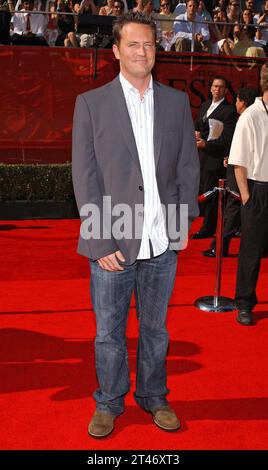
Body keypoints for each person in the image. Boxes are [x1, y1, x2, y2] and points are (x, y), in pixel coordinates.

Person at [72, 12, 200, 438]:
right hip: (113, 240)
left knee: (156, 328)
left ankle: (154, 395)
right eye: (133, 45)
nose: (142, 52)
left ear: (156, 50)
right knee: (108, 332)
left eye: (148, 44)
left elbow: (186, 165)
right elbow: (85, 178)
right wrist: (99, 238)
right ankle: (108, 402)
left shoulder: (177, 102)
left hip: (162, 241)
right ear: (116, 51)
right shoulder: (91, 103)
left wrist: (181, 223)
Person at [228, 62, 268, 326]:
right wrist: (247, 197)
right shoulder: (251, 115)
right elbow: (238, 162)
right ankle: (244, 303)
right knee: (251, 251)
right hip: (258, 190)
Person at [202, 87, 258, 257]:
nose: (235, 104)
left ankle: (219, 246)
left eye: (237, 100)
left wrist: (234, 159)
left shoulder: (246, 118)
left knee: (232, 207)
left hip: (240, 168)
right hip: (248, 166)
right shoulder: (258, 116)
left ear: (243, 101)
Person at [192, 75, 237, 239]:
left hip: (214, 158)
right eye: (215, 86)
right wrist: (196, 133)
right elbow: (198, 125)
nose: (217, 89)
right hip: (200, 156)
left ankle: (208, 229)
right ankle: (205, 224)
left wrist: (207, 145)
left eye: (221, 87)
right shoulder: (205, 105)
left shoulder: (229, 110)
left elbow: (227, 138)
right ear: (210, 88)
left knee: (211, 195)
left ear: (225, 90)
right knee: (203, 191)